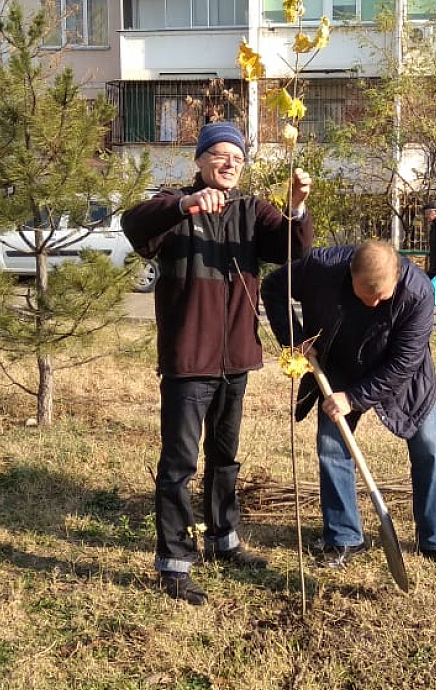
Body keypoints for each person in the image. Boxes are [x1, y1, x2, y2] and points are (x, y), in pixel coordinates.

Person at [121, 121, 314, 605]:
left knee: (225, 458)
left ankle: (223, 540)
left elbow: (293, 250)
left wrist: (295, 207)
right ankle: (174, 563)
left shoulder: (251, 210)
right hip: (189, 362)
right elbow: (133, 225)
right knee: (179, 464)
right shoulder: (174, 206)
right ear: (201, 160)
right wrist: (185, 205)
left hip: (236, 360)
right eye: (221, 155)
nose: (230, 164)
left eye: (238, 158)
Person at [261, 241, 436, 572]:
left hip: (403, 379)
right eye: (366, 295)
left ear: (396, 275)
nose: (374, 303)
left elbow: (404, 363)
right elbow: (273, 287)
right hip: (338, 368)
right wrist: (294, 339)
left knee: (428, 447)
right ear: (350, 274)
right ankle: (344, 537)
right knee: (332, 447)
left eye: (382, 296)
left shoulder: (418, 292)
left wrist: (353, 398)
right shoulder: (321, 267)